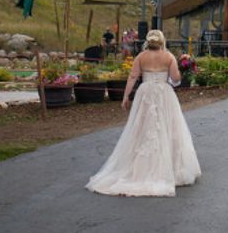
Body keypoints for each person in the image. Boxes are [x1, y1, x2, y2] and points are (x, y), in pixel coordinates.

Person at [86, 29, 201, 197]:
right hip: (164, 93)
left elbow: (132, 77)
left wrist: (125, 96)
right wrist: (183, 68)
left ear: (148, 41)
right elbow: (176, 79)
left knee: (141, 128)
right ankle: (171, 169)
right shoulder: (168, 57)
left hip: (145, 92)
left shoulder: (141, 57)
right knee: (167, 127)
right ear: (162, 41)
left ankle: (139, 168)